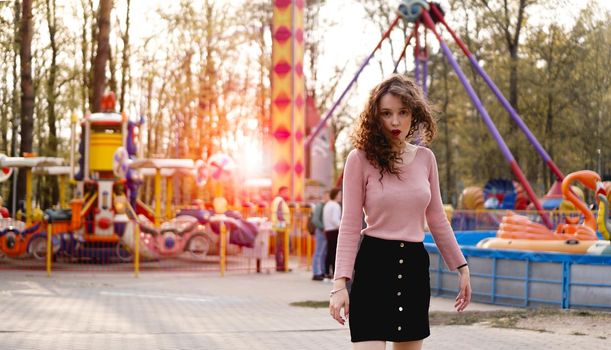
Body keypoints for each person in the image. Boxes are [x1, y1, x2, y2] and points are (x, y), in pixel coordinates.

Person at [328, 74, 471, 350]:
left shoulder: (426, 159)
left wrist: (461, 267)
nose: (395, 122)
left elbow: (437, 218)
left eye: (402, 112)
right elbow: (349, 224)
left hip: (415, 267)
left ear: (413, 114)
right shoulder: (359, 159)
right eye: (386, 113)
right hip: (373, 267)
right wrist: (339, 285)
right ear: (375, 117)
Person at [323, 187, 342, 279]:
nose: (341, 196)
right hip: (334, 230)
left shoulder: (327, 205)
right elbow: (335, 220)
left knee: (329, 251)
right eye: (339, 194)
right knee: (334, 252)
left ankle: (326, 272)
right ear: (335, 195)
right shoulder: (335, 205)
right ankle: (334, 273)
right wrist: (342, 227)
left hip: (327, 230)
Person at [271, 186, 291, 271]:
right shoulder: (280, 200)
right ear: (281, 192)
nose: (287, 194)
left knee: (280, 247)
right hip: (281, 227)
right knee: (283, 246)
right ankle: (281, 265)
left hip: (279, 226)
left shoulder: (277, 200)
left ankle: (281, 265)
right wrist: (284, 222)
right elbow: (279, 214)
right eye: (286, 192)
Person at [311, 191, 330, 281]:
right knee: (318, 252)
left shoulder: (326, 205)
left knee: (323, 253)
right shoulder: (320, 205)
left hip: (324, 231)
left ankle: (321, 271)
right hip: (320, 231)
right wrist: (323, 228)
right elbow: (315, 220)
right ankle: (316, 272)